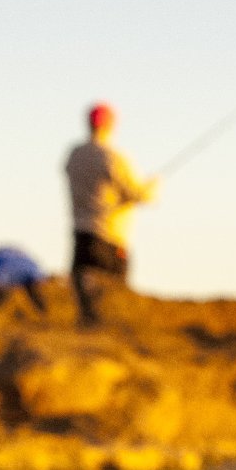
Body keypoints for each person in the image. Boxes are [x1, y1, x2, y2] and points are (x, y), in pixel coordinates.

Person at [65, 103, 157, 323]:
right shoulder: (112, 158)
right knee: (110, 309)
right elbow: (139, 195)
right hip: (109, 241)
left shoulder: (74, 156)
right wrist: (151, 186)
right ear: (111, 125)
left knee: (85, 309)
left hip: (81, 236)